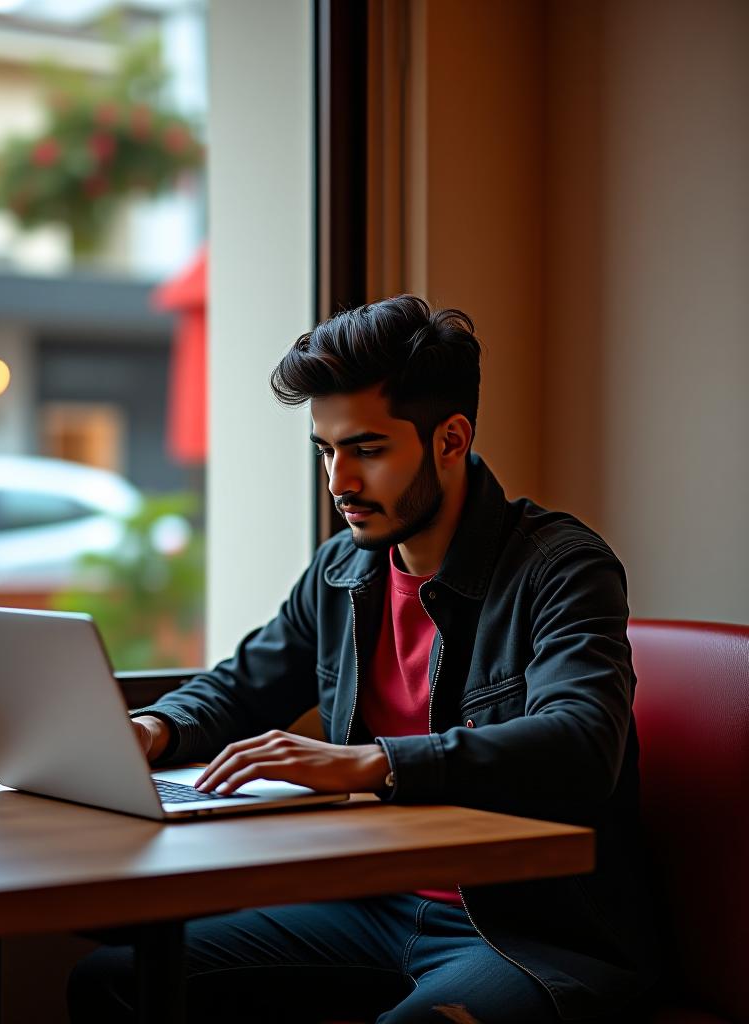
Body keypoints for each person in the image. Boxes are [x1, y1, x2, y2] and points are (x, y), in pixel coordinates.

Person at [67, 295, 659, 1023]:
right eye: (327, 450)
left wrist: (375, 763)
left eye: (367, 449)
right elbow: (243, 687)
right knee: (114, 980)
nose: (339, 481)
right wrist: (151, 731)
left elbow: (582, 742)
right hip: (373, 904)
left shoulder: (561, 566)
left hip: (527, 932)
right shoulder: (344, 570)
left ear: (451, 438)